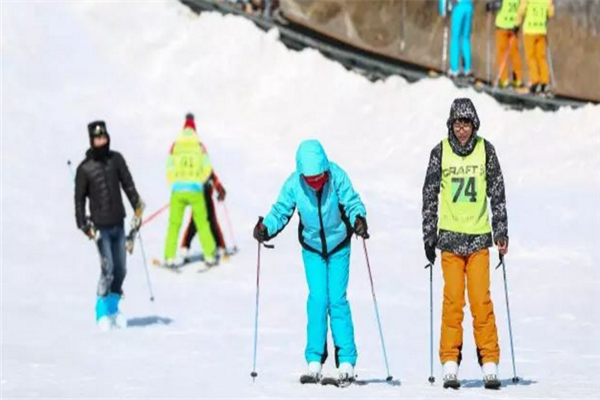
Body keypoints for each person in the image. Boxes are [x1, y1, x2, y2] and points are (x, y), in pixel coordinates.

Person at [253, 140, 369, 385]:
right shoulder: (294, 183)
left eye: (319, 177)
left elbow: (352, 201)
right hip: (312, 247)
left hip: (339, 244)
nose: (316, 183)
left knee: (337, 299)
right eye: (310, 179)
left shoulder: (336, 176)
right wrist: (266, 228)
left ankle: (346, 361)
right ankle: (314, 361)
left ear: (325, 169)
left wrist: (358, 218)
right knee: (318, 299)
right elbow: (281, 210)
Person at [422, 98, 508, 390]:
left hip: (479, 240)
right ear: (451, 124)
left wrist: (501, 231)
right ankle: (449, 362)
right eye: (457, 124)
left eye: (467, 124)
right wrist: (428, 234)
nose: (462, 130)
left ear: (475, 125)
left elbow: (497, 193)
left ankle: (490, 362)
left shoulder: (486, 151)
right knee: (453, 301)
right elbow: (430, 195)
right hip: (449, 240)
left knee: (481, 302)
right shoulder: (440, 152)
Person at [75, 120, 144, 330]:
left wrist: (137, 207)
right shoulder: (84, 169)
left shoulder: (116, 160)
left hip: (118, 222)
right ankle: (102, 310)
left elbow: (128, 185)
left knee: (121, 268)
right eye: (97, 138)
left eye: (103, 137)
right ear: (91, 140)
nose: (101, 141)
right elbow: (79, 201)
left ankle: (114, 308)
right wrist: (83, 224)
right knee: (108, 269)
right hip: (100, 226)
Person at [164, 113, 218, 268]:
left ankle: (169, 256)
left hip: (178, 190)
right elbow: (207, 168)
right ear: (194, 129)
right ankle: (209, 254)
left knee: (174, 224)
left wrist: (174, 182)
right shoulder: (199, 146)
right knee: (202, 222)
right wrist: (199, 181)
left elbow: (169, 167)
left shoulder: (175, 145)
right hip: (195, 189)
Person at [179, 134, 229, 260]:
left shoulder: (205, 165)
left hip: (207, 195)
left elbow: (213, 177)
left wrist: (220, 189)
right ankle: (185, 247)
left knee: (212, 221)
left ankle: (220, 247)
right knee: (195, 222)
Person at [515, 0, 555, 95]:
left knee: (531, 57)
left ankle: (535, 82)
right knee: (541, 57)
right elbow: (551, 13)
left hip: (529, 30)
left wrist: (516, 23)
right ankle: (544, 82)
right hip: (541, 30)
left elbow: (522, 9)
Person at [486, 0, 526, 91]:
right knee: (515, 53)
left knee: (502, 53)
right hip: (513, 26)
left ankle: (504, 80)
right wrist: (518, 22)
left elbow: (497, 4)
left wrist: (490, 6)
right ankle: (518, 79)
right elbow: (522, 7)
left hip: (502, 26)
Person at [440, 0, 474, 81]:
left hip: (458, 6)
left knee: (455, 38)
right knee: (465, 38)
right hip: (469, 6)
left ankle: (454, 69)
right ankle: (467, 69)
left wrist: (443, 11)